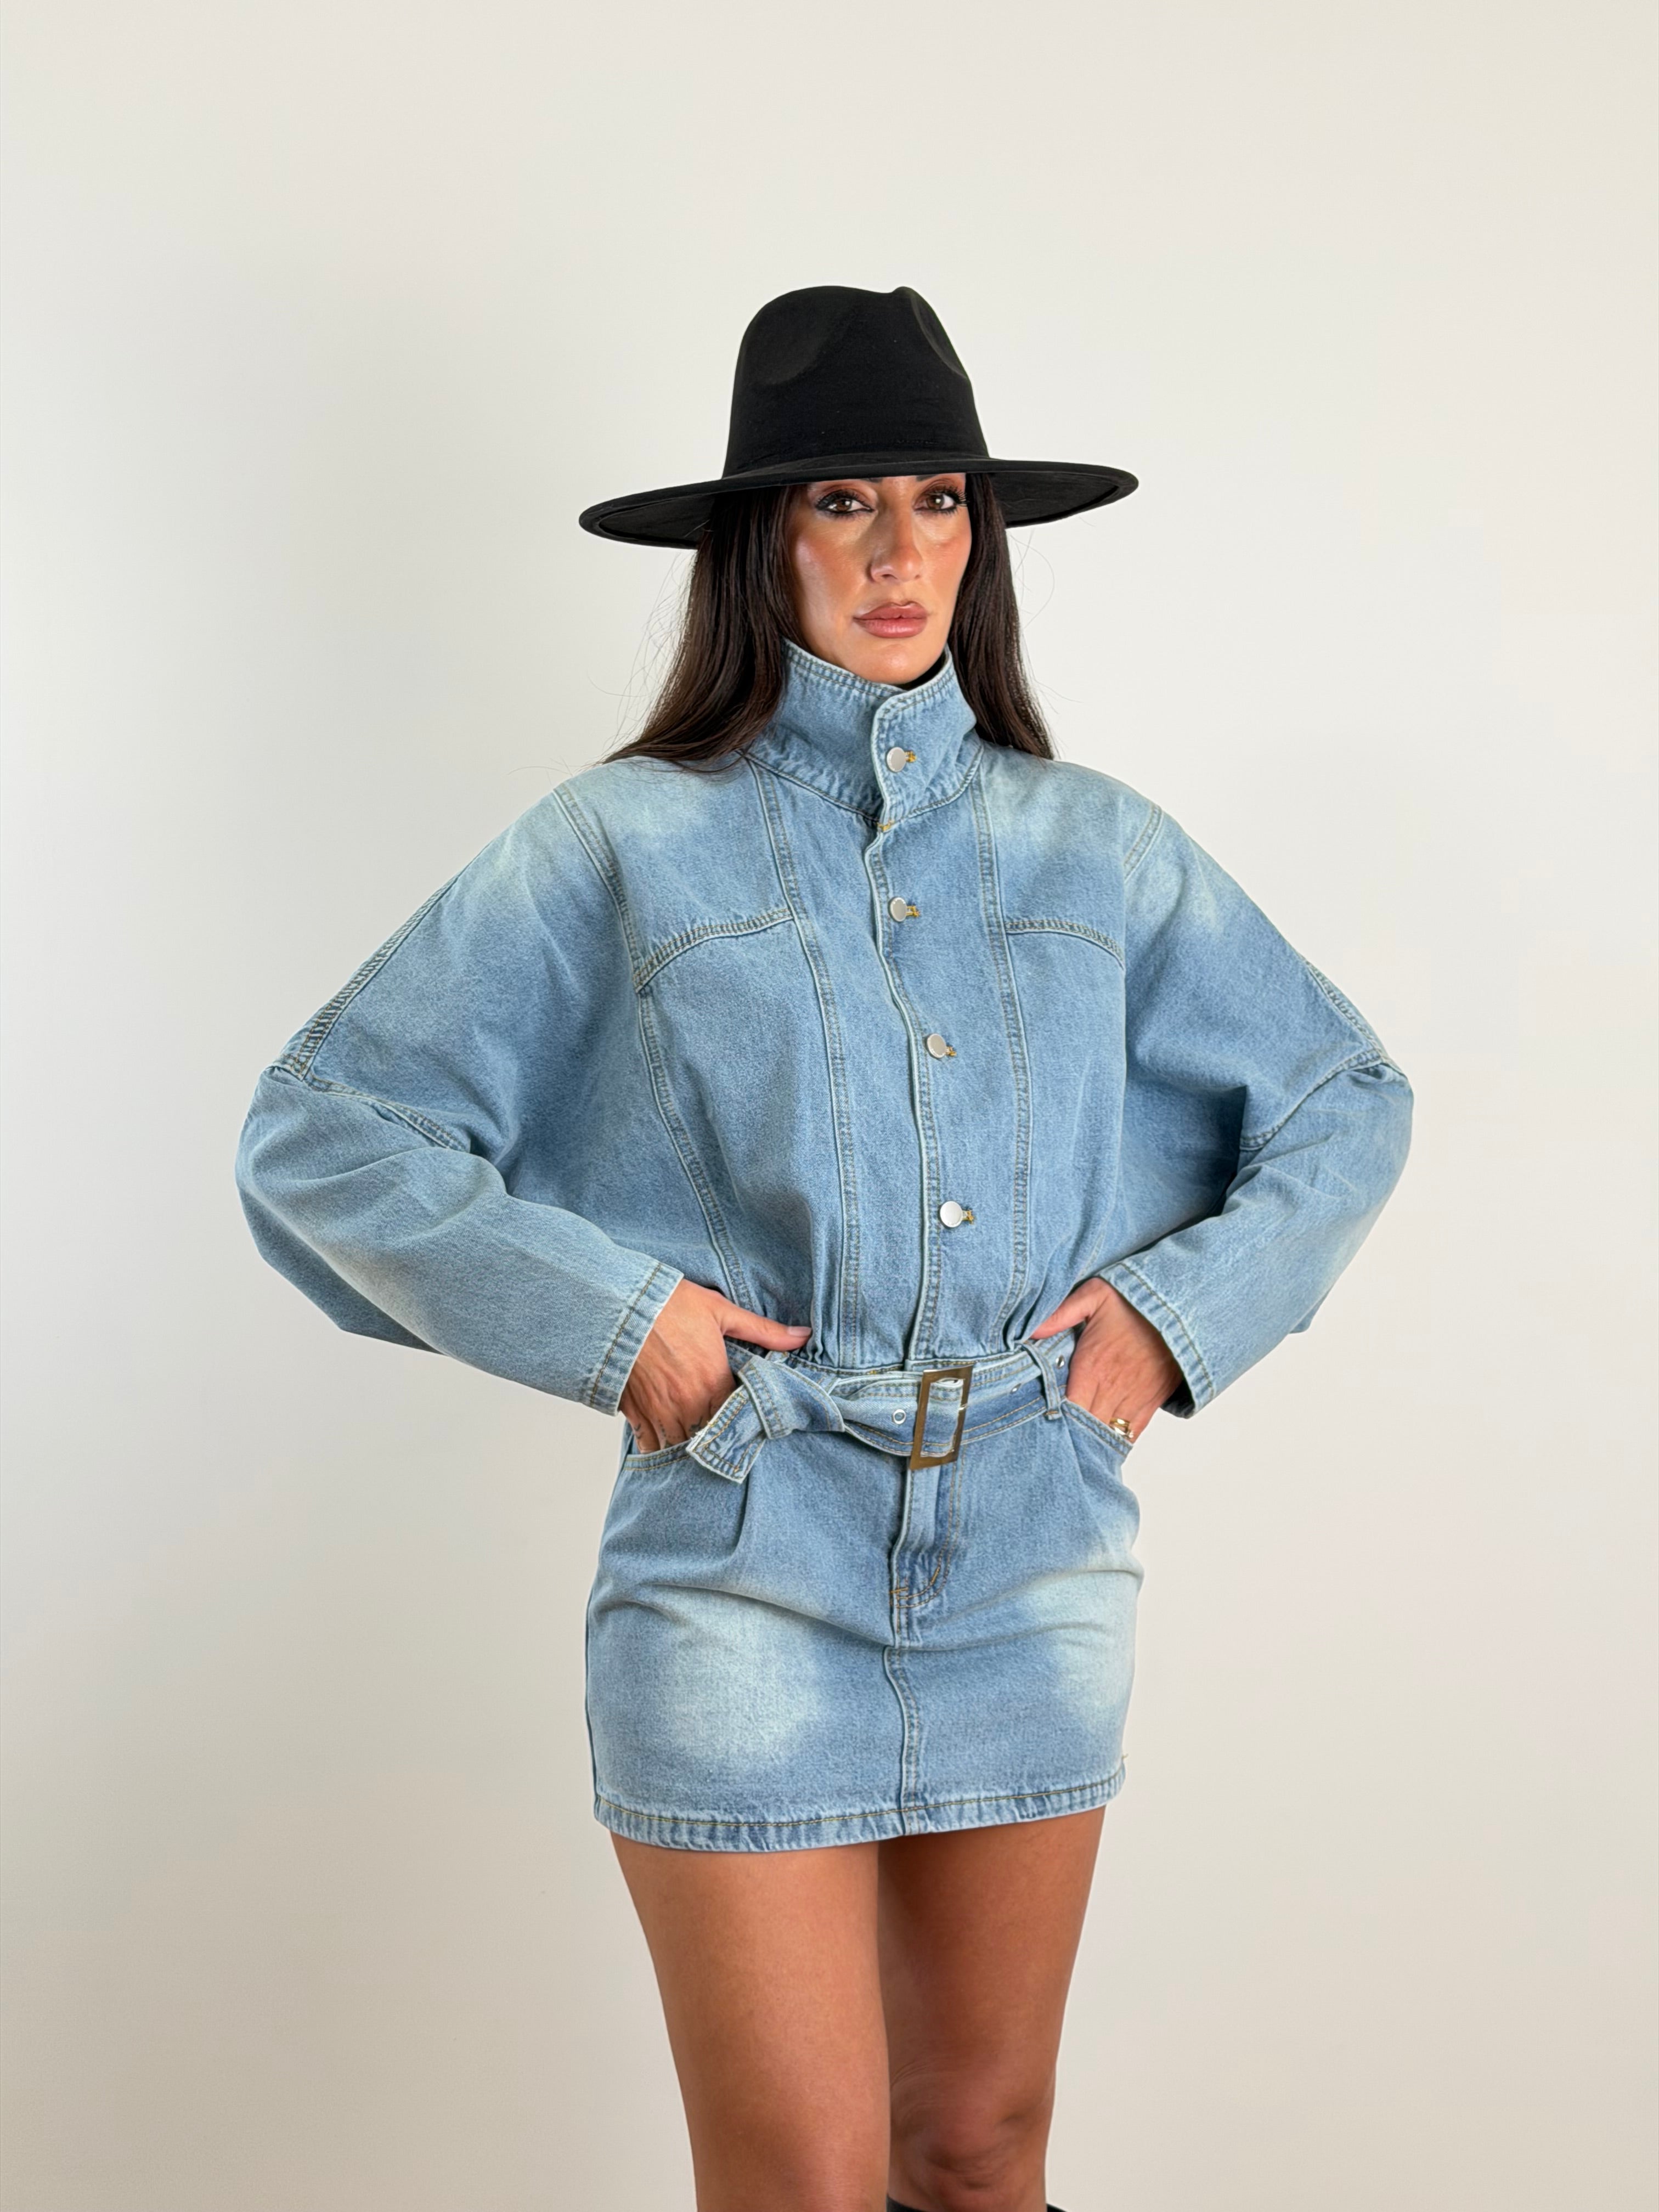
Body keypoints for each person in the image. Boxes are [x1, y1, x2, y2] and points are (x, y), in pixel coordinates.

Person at [235, 285, 1413, 2212]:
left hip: (1035, 1550)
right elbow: (323, 1132)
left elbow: (1345, 1099)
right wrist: (628, 1324)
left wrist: (1172, 1318)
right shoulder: (620, 843)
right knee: (798, 2173)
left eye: (939, 503)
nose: (898, 555)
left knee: (980, 2149)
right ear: (757, 545)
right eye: (842, 503)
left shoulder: (1094, 846)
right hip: (743, 1558)